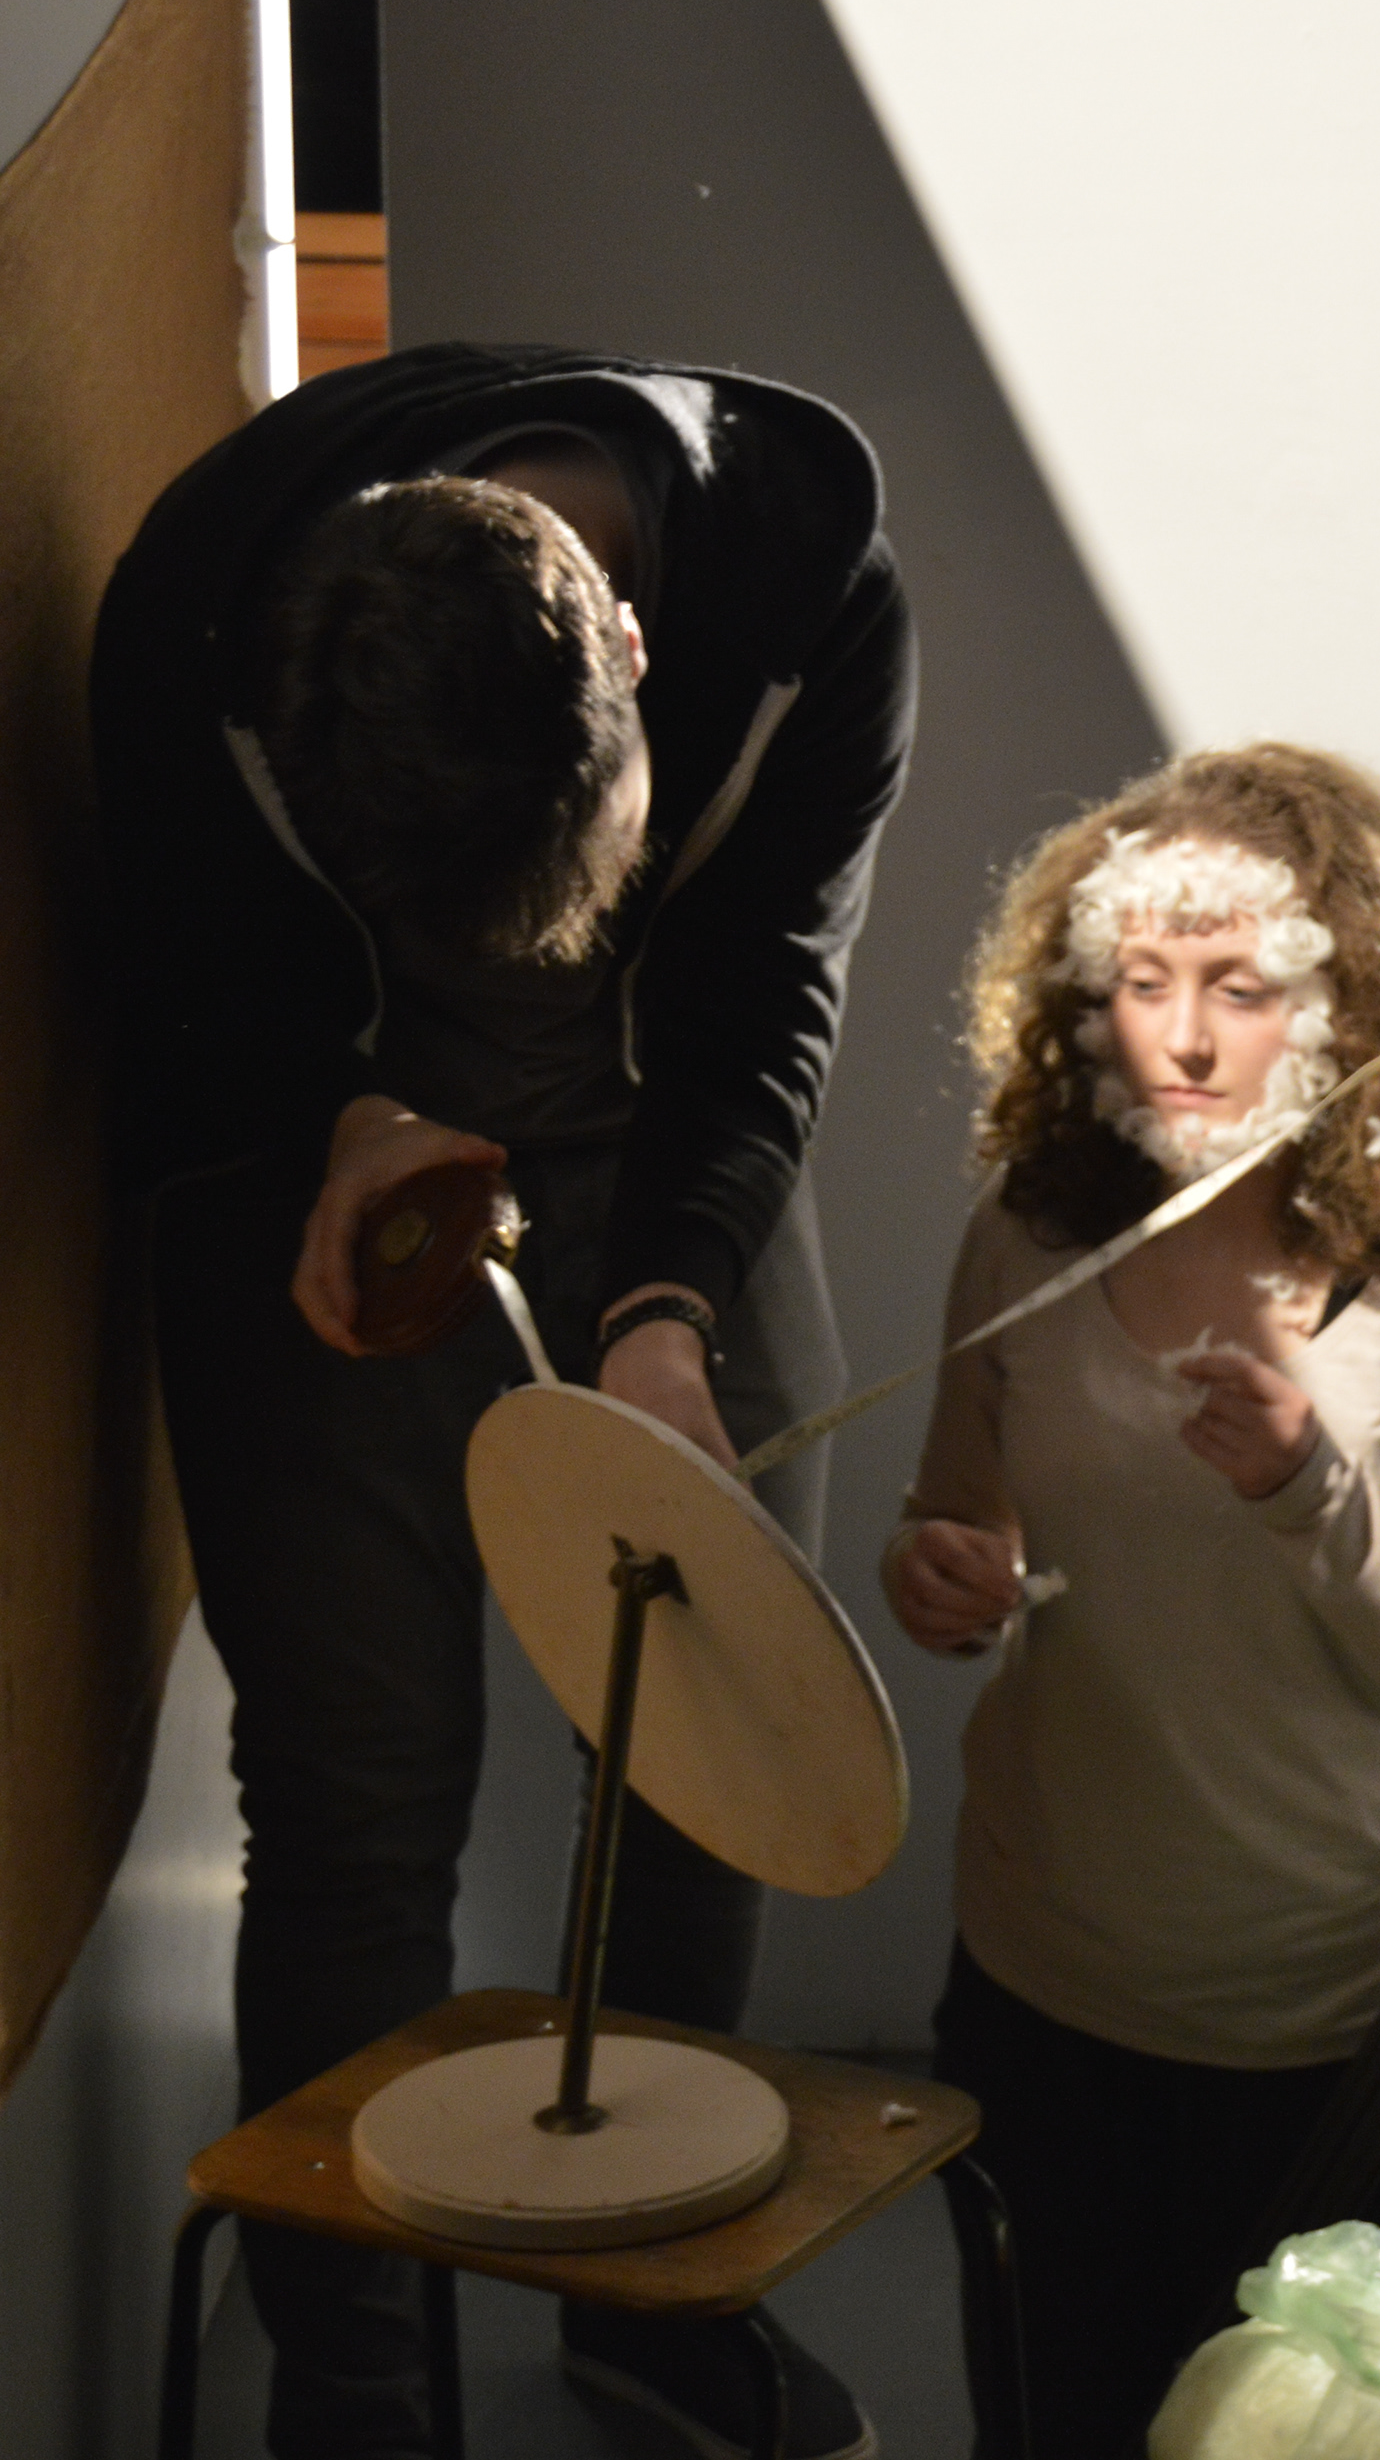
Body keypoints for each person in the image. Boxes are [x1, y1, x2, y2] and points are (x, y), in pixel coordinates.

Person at [91, 343, 910, 2460]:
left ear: (633, 651)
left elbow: (768, 1000)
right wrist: (341, 1107)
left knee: (710, 1746)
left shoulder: (815, 599)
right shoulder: (201, 601)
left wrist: (668, 1309)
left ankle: (653, 2309)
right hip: (313, 1165)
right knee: (354, 1794)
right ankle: (354, 2390)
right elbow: (177, 975)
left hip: (673, 1153)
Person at [884, 742, 1380, 2460]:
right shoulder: (1034, 1233)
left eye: (1240, 989)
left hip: (1329, 2015)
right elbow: (961, 1523)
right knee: (1057, 2426)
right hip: (1045, 1984)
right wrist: (946, 1578)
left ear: (1345, 1004)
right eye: (1142, 982)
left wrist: (1311, 1488)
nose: (1182, 1039)